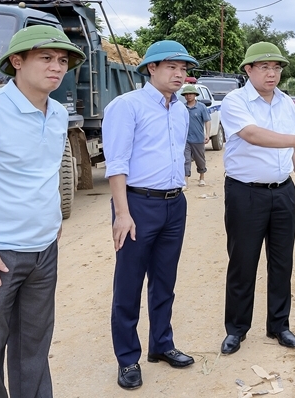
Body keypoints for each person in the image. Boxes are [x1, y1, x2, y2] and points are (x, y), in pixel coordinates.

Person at [0, 26, 85, 397]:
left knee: (33, 350)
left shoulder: (58, 113)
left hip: (43, 252)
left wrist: (51, 220)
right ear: (17, 62)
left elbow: (44, 171)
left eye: (63, 60)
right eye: (46, 58)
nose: (57, 67)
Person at [102, 40, 199, 390]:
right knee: (129, 284)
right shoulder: (127, 106)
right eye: (171, 67)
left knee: (164, 280)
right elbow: (116, 163)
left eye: (183, 68)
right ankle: (128, 358)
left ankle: (162, 343)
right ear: (151, 69)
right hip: (138, 204)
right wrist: (122, 213)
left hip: (174, 203)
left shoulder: (181, 109)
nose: (179, 74)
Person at [219, 42, 295, 355]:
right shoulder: (235, 101)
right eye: (264, 67)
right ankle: (236, 329)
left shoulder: (286, 103)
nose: (271, 73)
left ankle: (279, 325)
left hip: (282, 191)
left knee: (282, 262)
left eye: (276, 68)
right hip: (245, 192)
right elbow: (252, 135)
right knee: (243, 262)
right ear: (248, 69)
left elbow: (294, 148)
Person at [181, 84, 211, 187]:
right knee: (186, 159)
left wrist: (207, 134)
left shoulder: (201, 107)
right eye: (186, 94)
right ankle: (185, 181)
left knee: (200, 159)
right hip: (186, 139)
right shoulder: (182, 107)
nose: (188, 96)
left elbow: (207, 120)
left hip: (198, 139)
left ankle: (202, 177)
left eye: (190, 94)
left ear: (195, 95)